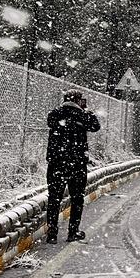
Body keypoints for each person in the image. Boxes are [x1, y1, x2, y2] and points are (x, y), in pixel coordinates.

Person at [45, 90, 100, 243]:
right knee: (77, 198)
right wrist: (87, 111)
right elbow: (95, 126)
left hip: (56, 163)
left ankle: (52, 234)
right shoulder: (83, 115)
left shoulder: (55, 113)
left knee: (54, 199)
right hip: (77, 163)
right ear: (78, 100)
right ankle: (72, 232)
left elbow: (51, 122)